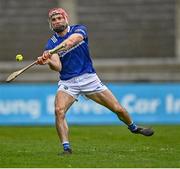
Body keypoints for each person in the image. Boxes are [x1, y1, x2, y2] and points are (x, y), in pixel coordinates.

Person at [37, 8, 154, 155]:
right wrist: (47, 60)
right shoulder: (50, 44)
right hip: (68, 82)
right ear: (51, 24)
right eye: (53, 20)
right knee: (58, 111)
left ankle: (133, 127)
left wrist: (55, 50)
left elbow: (74, 40)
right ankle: (66, 148)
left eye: (60, 18)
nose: (57, 21)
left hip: (89, 78)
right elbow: (58, 66)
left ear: (66, 19)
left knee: (118, 109)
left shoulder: (78, 29)